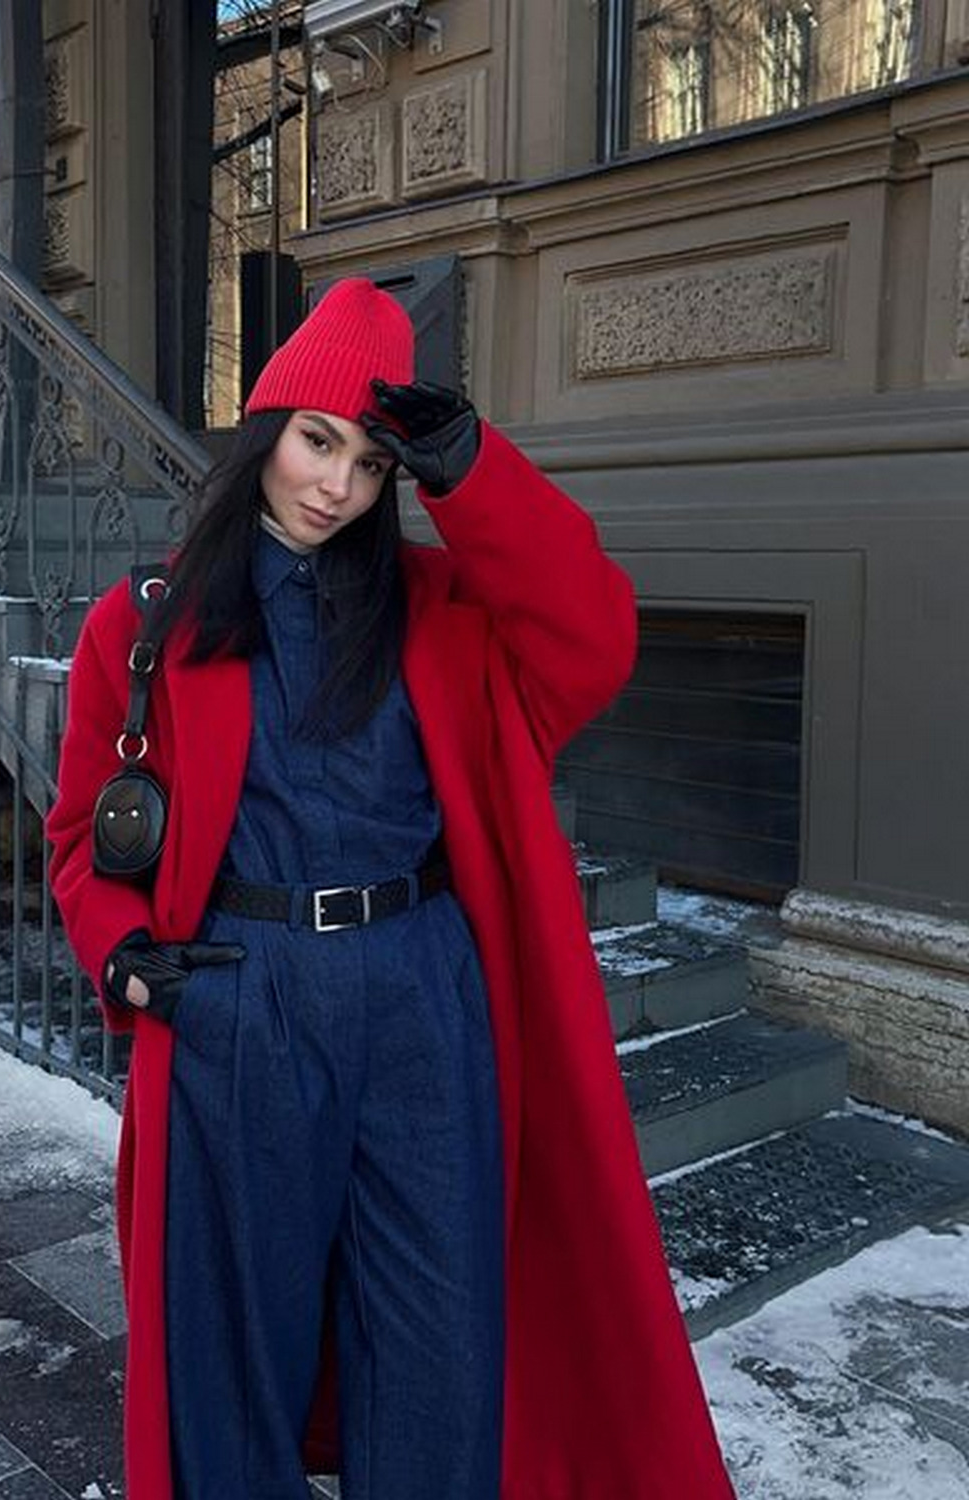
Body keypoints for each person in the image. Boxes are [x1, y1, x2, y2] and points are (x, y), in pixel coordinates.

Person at [47, 279, 734, 1500]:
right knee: (229, 1350)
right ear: (265, 430)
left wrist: (472, 471)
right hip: (240, 1003)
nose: (337, 487)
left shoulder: (441, 609)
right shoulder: (140, 628)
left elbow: (596, 636)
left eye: (372, 465)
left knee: (437, 1340)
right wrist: (122, 952)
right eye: (317, 443)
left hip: (422, 996)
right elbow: (80, 841)